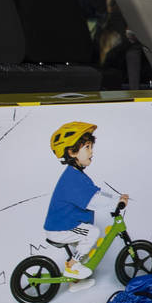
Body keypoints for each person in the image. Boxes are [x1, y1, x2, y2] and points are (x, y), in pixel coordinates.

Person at [44, 121, 129, 292]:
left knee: (83, 245)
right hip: (61, 227)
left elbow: (95, 192)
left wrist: (116, 197)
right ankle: (72, 266)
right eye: (87, 147)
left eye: (91, 146)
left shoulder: (77, 175)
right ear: (72, 152)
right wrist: (116, 201)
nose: (92, 151)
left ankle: (75, 282)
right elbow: (92, 200)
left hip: (66, 225)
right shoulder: (72, 179)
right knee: (92, 233)